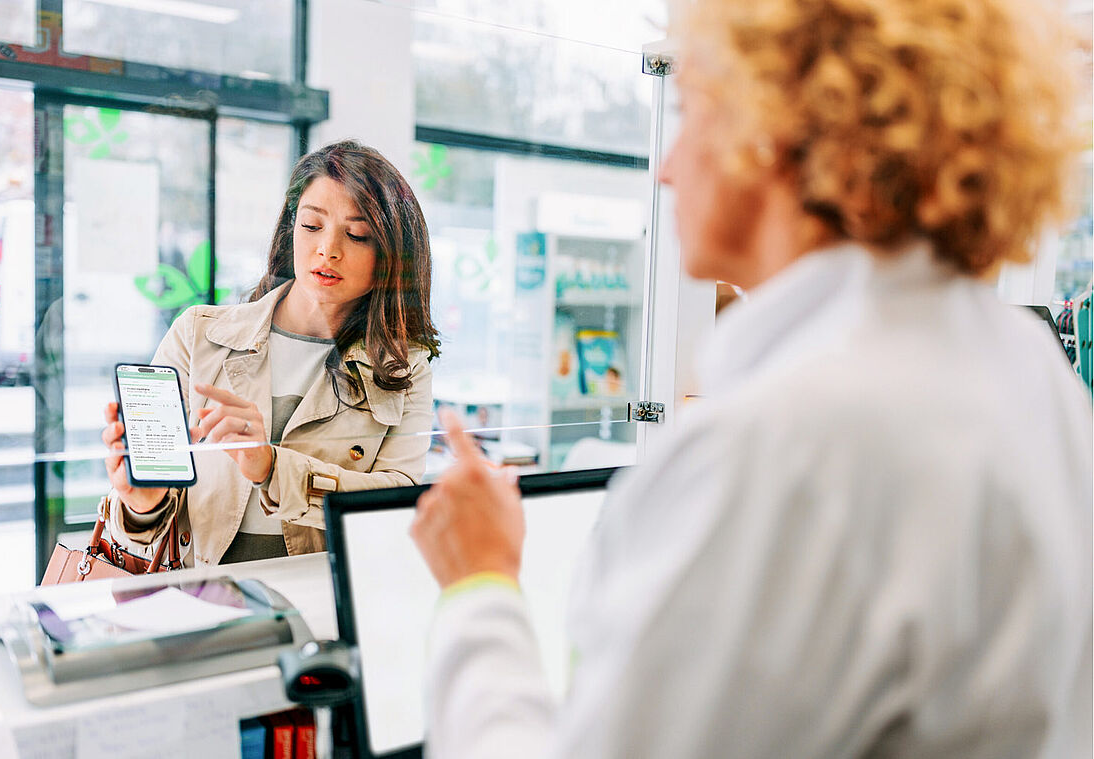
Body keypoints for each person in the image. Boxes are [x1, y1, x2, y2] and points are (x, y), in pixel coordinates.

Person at [410, 0, 1092, 756]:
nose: (666, 168)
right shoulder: (1029, 370)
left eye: (692, 108)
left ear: (773, 129)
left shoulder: (779, 443)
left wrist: (480, 588)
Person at [101, 140, 439, 565]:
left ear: (391, 255)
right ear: (290, 228)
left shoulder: (404, 366)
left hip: (321, 594)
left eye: (356, 235)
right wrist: (140, 505)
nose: (327, 249)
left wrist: (272, 468)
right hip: (200, 593)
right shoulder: (199, 335)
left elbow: (398, 499)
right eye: (312, 225)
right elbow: (142, 524)